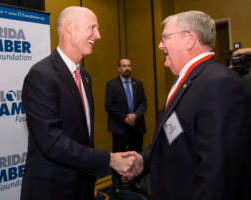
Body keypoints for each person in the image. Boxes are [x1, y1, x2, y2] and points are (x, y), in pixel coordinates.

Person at [125, 10, 251, 200]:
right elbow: (174, 138)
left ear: (189, 40)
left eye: (165, 38)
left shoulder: (219, 84)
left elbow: (217, 173)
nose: (160, 45)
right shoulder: (189, 79)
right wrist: (144, 160)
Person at [20, 6, 141, 200]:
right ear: (69, 27)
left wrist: (89, 180)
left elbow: (84, 137)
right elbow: (52, 142)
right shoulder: (41, 75)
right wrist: (110, 159)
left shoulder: (84, 76)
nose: (98, 35)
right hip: (53, 189)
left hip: (82, 184)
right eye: (92, 27)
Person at [105, 58, 148, 199]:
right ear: (118, 68)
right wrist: (125, 118)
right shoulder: (111, 85)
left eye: (129, 65)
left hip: (136, 127)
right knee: (118, 158)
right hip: (120, 128)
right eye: (123, 66)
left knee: (136, 157)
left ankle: (134, 182)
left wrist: (135, 115)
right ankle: (117, 186)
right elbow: (109, 105)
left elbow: (143, 103)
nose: (126, 68)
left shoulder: (138, 84)